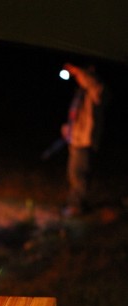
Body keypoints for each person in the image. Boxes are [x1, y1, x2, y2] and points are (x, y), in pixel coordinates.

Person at [61, 63, 106, 217]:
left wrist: (76, 70)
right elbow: (76, 116)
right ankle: (77, 204)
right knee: (74, 175)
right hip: (76, 139)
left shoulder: (97, 91)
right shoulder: (81, 93)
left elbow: (92, 82)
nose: (78, 78)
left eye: (82, 74)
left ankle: (76, 207)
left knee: (80, 175)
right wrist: (68, 128)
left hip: (85, 141)